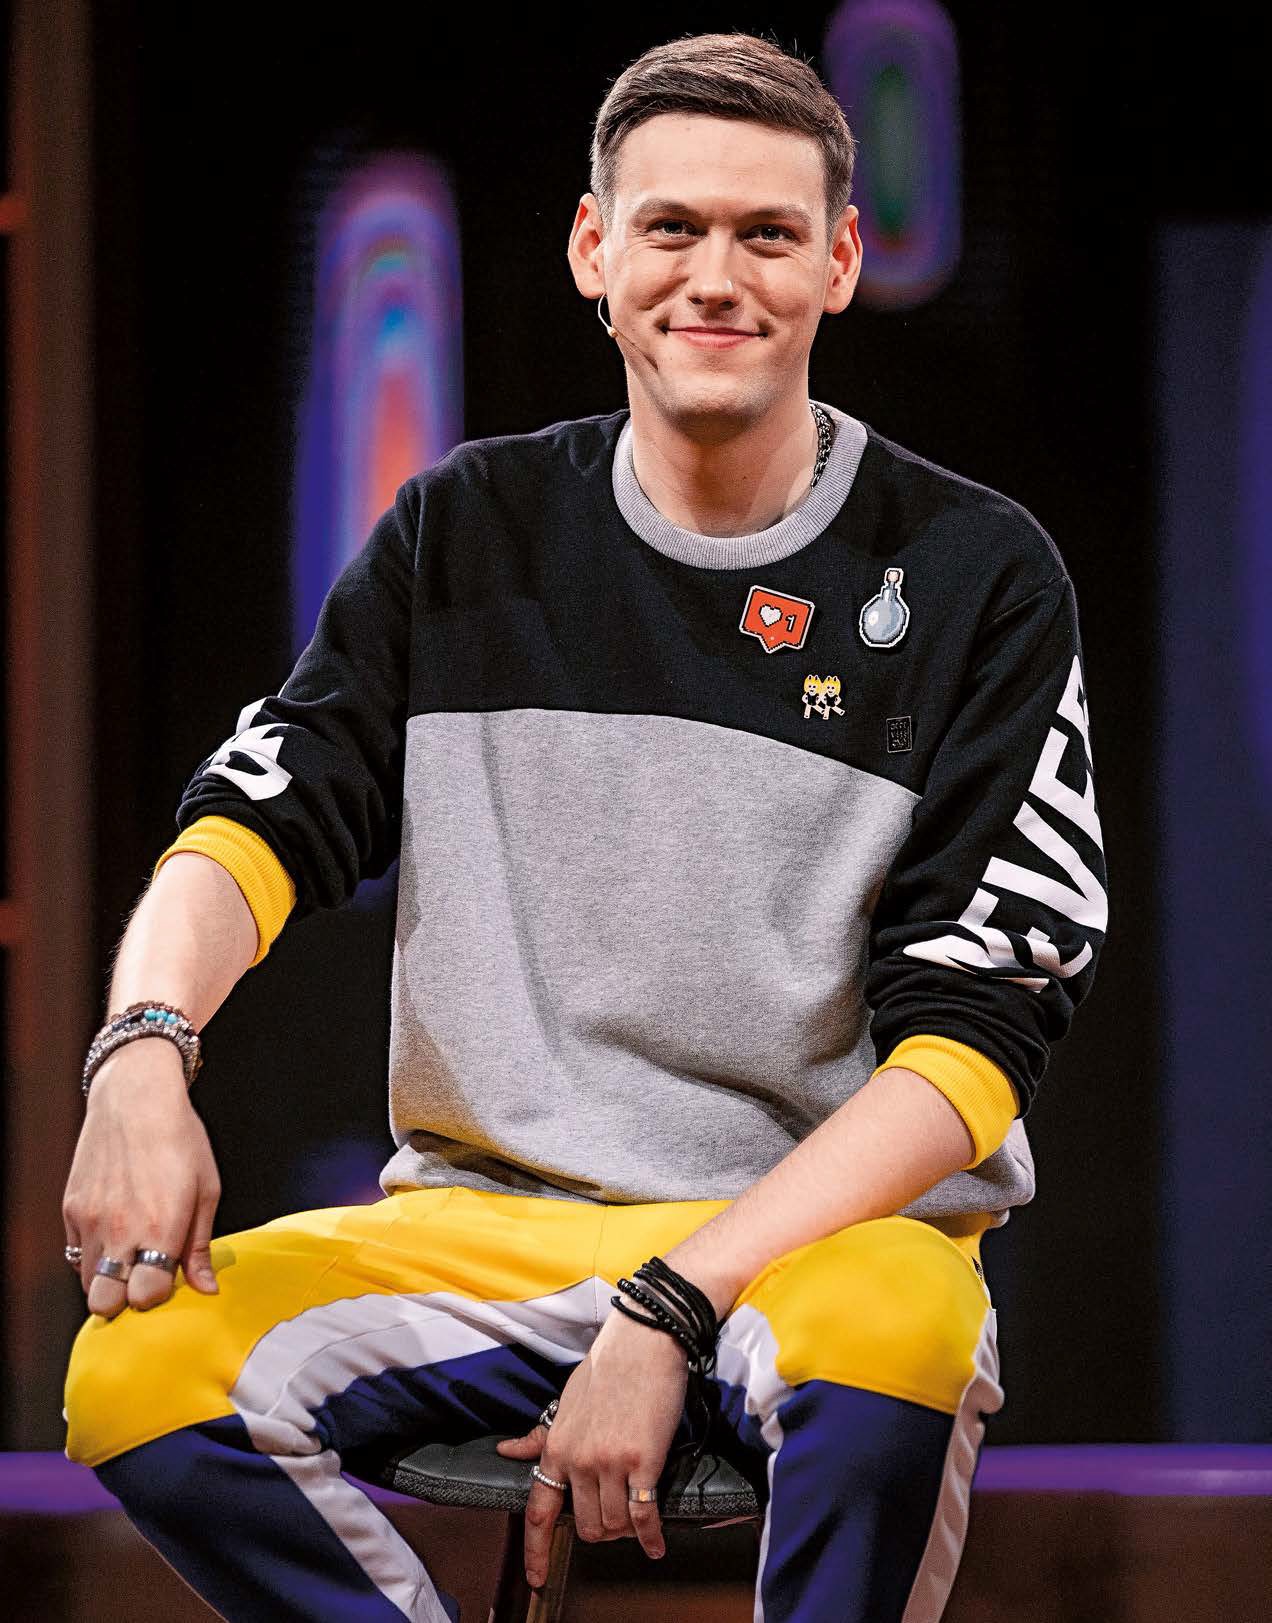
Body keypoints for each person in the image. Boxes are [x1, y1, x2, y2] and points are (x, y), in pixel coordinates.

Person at [60, 30, 1107, 1623]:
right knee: (139, 1372)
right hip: (487, 1234)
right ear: (591, 251)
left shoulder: (978, 573)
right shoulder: (461, 531)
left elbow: (972, 1049)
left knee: (902, 1330)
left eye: (767, 235)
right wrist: (140, 1054)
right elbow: (260, 817)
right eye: (671, 228)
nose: (716, 278)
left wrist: (677, 1301)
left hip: (818, 1244)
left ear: (839, 263)